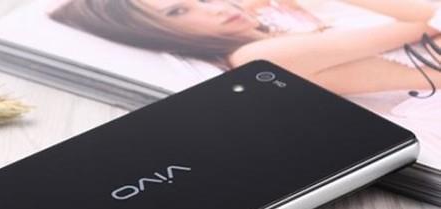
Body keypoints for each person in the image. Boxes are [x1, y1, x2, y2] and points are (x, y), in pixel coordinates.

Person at [49, 0, 441, 95]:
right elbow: (424, 23)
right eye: (179, 11)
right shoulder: (257, 58)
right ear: (162, 34)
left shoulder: (275, 21)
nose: (216, 8)